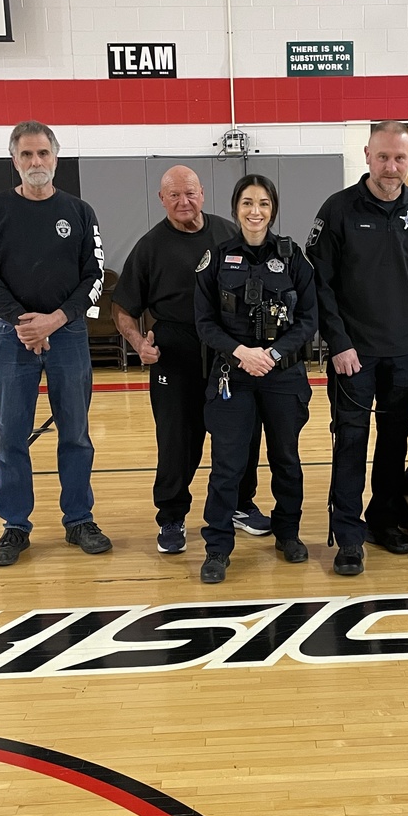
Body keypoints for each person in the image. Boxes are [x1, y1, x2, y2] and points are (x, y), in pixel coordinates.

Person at [306, 119, 408, 576]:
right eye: (383, 156)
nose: (391, 166)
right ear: (368, 155)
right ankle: (349, 536)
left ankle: (382, 520)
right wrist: (338, 343)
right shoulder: (338, 210)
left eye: (400, 158)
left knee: (393, 443)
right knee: (351, 443)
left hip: (407, 351)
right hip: (353, 354)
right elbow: (320, 283)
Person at [0, 120, 112, 566]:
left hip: (66, 334)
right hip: (13, 337)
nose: (36, 162)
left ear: (56, 157)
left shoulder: (80, 211)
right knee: (12, 435)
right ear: (14, 160)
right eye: (27, 155)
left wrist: (53, 320)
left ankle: (79, 519)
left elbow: (94, 277)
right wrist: (22, 323)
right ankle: (15, 525)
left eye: (43, 154)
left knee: (76, 433)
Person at [112, 165, 270, 555]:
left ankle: (238, 503)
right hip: (175, 349)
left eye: (190, 193)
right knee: (176, 441)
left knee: (241, 434)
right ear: (161, 199)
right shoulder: (150, 246)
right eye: (174, 196)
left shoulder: (228, 233)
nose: (184, 202)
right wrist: (138, 343)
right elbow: (123, 308)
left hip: (228, 349)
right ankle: (171, 516)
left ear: (202, 193)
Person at [194, 174, 317, 583]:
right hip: (235, 373)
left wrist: (275, 353)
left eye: (263, 203)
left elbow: (308, 320)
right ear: (235, 209)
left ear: (273, 210)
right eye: (247, 203)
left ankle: (289, 533)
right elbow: (205, 323)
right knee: (228, 465)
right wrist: (241, 352)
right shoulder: (216, 258)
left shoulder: (294, 257)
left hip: (282, 376)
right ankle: (217, 548)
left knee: (286, 459)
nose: (255, 211)